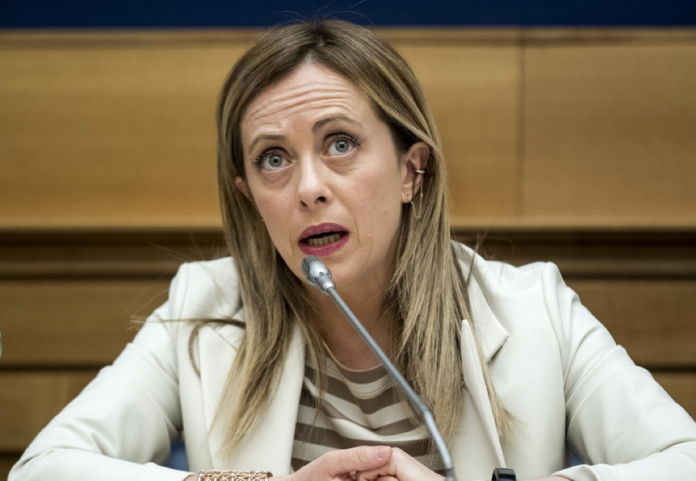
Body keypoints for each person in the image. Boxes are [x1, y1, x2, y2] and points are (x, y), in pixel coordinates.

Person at [9, 19, 696, 481]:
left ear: (411, 170)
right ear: (250, 197)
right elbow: (44, 469)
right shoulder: (203, 307)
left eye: (340, 144)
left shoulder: (534, 309)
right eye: (273, 158)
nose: (309, 187)